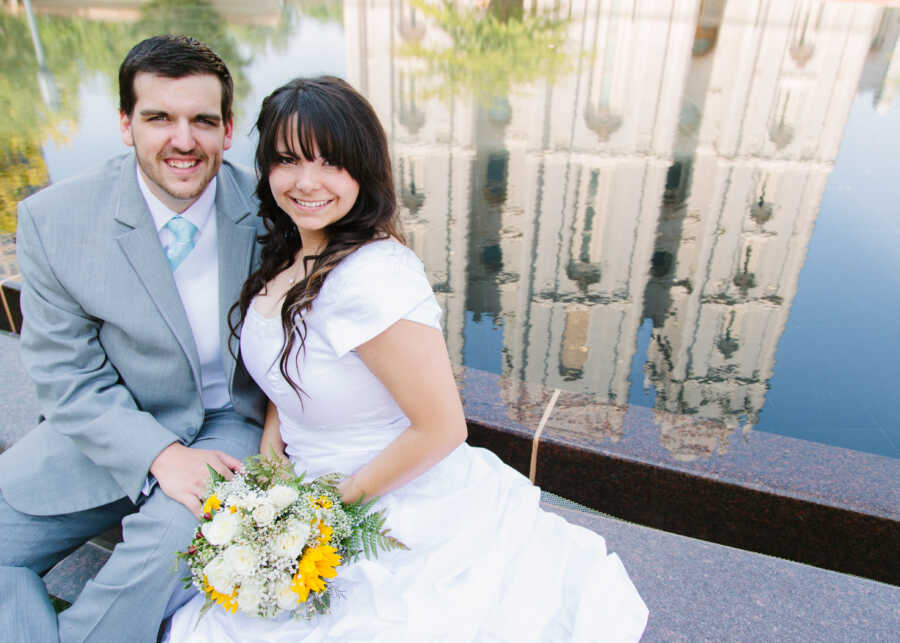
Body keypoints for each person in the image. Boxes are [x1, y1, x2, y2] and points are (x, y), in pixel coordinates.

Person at [166, 76, 649, 642]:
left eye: (329, 162)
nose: (306, 182)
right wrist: (272, 482)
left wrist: (316, 519)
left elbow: (442, 427)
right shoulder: (288, 254)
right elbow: (282, 383)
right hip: (303, 487)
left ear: (363, 169)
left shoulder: (373, 278)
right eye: (287, 160)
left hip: (389, 496)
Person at [0, 35, 267, 642]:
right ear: (126, 124)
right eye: (159, 118)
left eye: (202, 120)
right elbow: (66, 378)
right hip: (105, 433)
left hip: (228, 429)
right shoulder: (55, 221)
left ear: (228, 130)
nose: (183, 140)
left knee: (167, 552)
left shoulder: (271, 209)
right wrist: (158, 455)